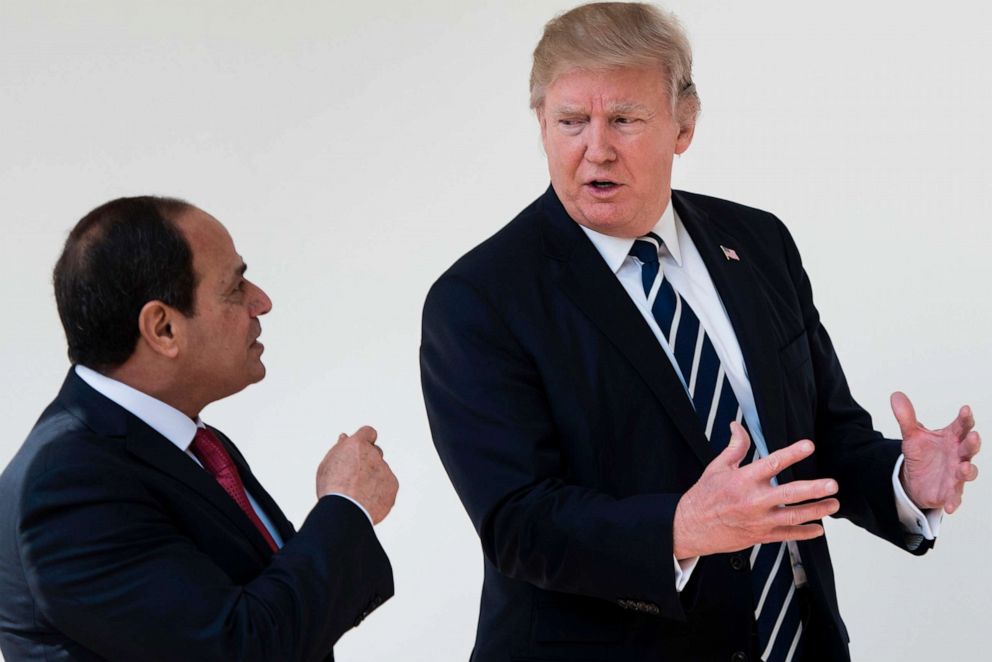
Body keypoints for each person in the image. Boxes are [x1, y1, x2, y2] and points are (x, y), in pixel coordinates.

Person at [419, 3, 981, 661]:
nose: (595, 147)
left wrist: (903, 483)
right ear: (542, 123)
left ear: (684, 125)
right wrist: (681, 529)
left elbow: (816, 443)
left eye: (625, 120)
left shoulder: (759, 242)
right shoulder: (479, 300)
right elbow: (518, 525)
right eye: (571, 121)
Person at [0, 196, 398, 661]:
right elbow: (240, 647)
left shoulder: (184, 443)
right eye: (235, 287)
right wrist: (345, 507)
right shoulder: (67, 487)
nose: (261, 302)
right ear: (163, 328)